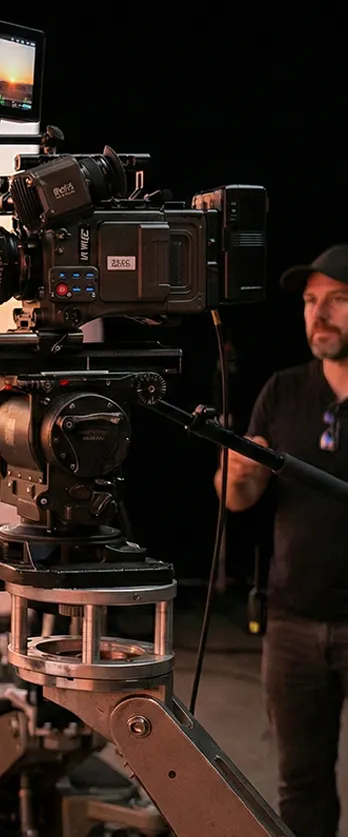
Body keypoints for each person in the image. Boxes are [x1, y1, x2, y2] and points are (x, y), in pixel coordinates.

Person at [215, 243, 348, 837]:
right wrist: (238, 475)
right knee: (302, 784)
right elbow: (236, 498)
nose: (320, 314)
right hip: (292, 625)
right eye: (311, 301)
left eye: (338, 299)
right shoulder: (283, 390)